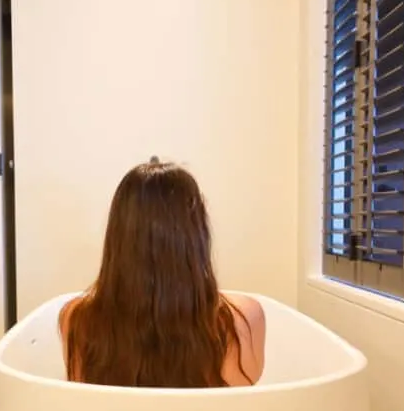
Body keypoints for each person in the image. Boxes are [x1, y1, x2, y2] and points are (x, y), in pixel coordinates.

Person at [58, 158, 266, 387]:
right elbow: (241, 404)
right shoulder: (245, 317)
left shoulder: (76, 319)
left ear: (118, 236)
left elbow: (84, 400)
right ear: (196, 235)